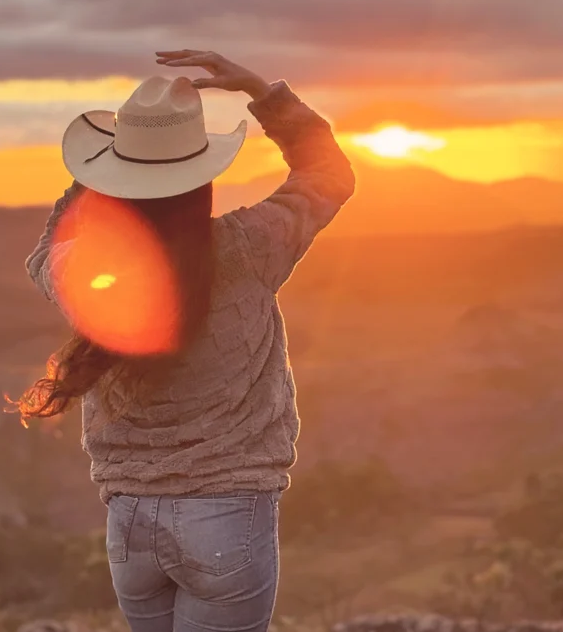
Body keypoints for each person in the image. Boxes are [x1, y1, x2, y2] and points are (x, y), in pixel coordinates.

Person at [18, 51, 355, 632]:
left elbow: (46, 249)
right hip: (227, 517)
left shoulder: (87, 273)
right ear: (202, 172)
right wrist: (260, 91)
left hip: (130, 525)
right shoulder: (251, 245)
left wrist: (97, 170)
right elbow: (328, 176)